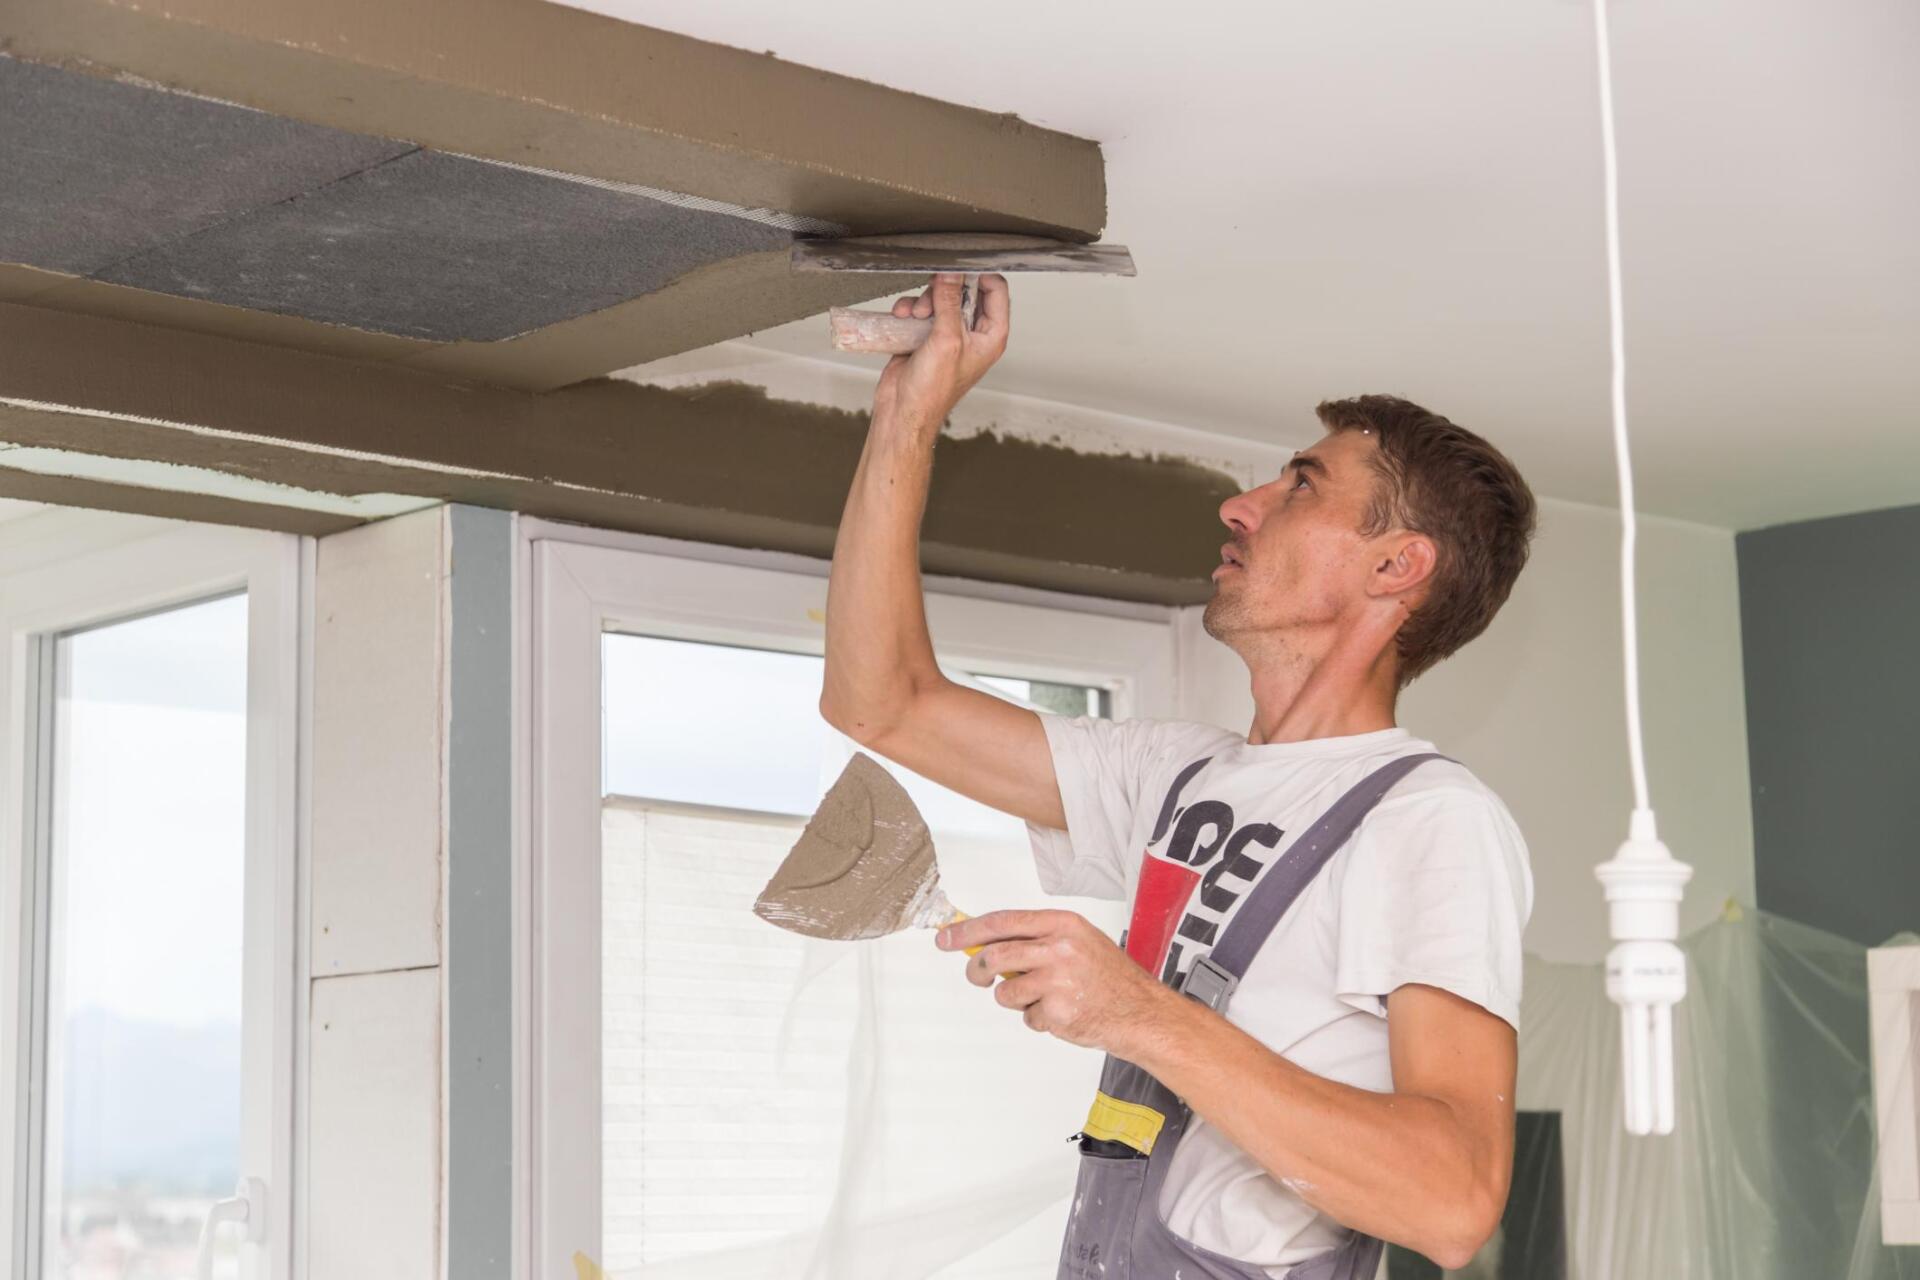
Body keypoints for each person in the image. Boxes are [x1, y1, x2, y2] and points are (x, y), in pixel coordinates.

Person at [819, 273, 1537, 1278]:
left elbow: (1453, 1200)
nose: (1240, 505)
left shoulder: (1429, 820)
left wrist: (1138, 1010)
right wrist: (906, 411)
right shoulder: (1177, 774)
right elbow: (880, 700)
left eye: (1300, 486)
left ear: (1396, 567)